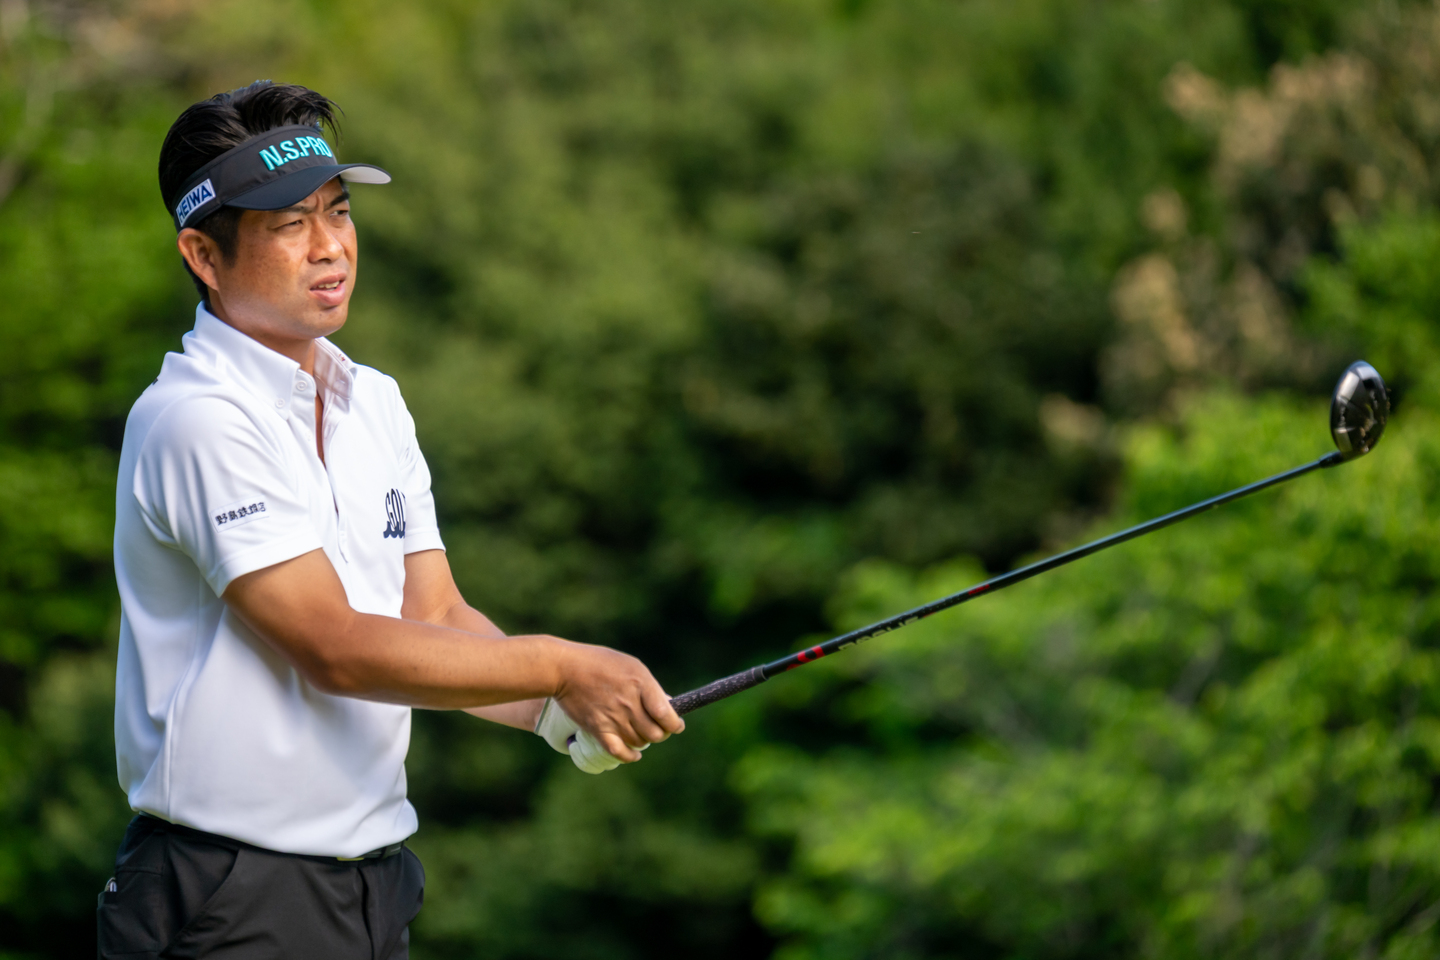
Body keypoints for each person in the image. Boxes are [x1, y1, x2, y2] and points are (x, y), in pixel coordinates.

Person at [99, 80, 683, 959]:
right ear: (203, 255)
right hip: (224, 893)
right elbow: (334, 646)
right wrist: (564, 664)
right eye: (289, 225)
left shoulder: (373, 400)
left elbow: (433, 613)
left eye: (338, 212)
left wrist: (553, 712)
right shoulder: (196, 417)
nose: (330, 247)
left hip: (373, 886)